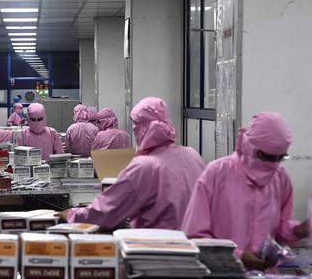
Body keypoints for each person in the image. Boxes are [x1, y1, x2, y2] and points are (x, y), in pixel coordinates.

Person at [182, 112, 309, 271]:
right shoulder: (217, 174)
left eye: (280, 158)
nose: (273, 164)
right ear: (251, 146)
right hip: (222, 273)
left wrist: (299, 230)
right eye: (267, 157)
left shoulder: (280, 178)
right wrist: (238, 256)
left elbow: (281, 231)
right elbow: (195, 236)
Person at [57, 97, 205, 230]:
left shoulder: (144, 166)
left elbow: (107, 210)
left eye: (136, 125)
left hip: (159, 247)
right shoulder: (193, 155)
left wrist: (72, 215)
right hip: (196, 246)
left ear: (142, 128)